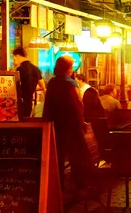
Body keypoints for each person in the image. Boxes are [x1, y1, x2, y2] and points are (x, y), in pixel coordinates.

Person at [42, 55, 87, 189]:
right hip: (71, 124)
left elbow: (48, 104)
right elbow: (78, 104)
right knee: (76, 155)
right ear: (68, 68)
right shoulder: (70, 83)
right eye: (72, 66)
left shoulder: (52, 82)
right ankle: (79, 184)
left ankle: (58, 183)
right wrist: (82, 121)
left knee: (58, 156)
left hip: (55, 124)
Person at [13, 46, 45, 118]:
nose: (14, 60)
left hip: (19, 102)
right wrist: (32, 89)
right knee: (27, 120)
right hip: (29, 101)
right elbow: (42, 86)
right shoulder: (36, 68)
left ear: (17, 56)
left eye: (14, 57)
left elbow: (14, 85)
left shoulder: (19, 69)